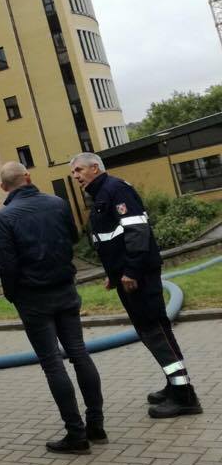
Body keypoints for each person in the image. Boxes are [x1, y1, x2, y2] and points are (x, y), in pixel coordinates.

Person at [70, 152, 202, 418]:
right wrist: (113, 273)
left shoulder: (116, 190)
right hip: (128, 277)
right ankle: (175, 384)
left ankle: (184, 396)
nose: (75, 176)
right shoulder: (102, 194)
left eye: (79, 170)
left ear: (95, 168)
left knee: (155, 331)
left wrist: (131, 271)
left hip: (138, 277)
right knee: (150, 331)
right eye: (73, 173)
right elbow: (112, 239)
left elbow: (136, 231)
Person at [0, 162, 106, 454]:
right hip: (65, 288)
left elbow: (7, 263)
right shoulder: (57, 203)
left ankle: (76, 434)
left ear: (3, 188)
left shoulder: (4, 217)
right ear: (28, 177)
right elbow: (73, 237)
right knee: (79, 353)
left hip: (33, 298)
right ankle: (96, 424)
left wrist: (12, 295)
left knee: (52, 363)